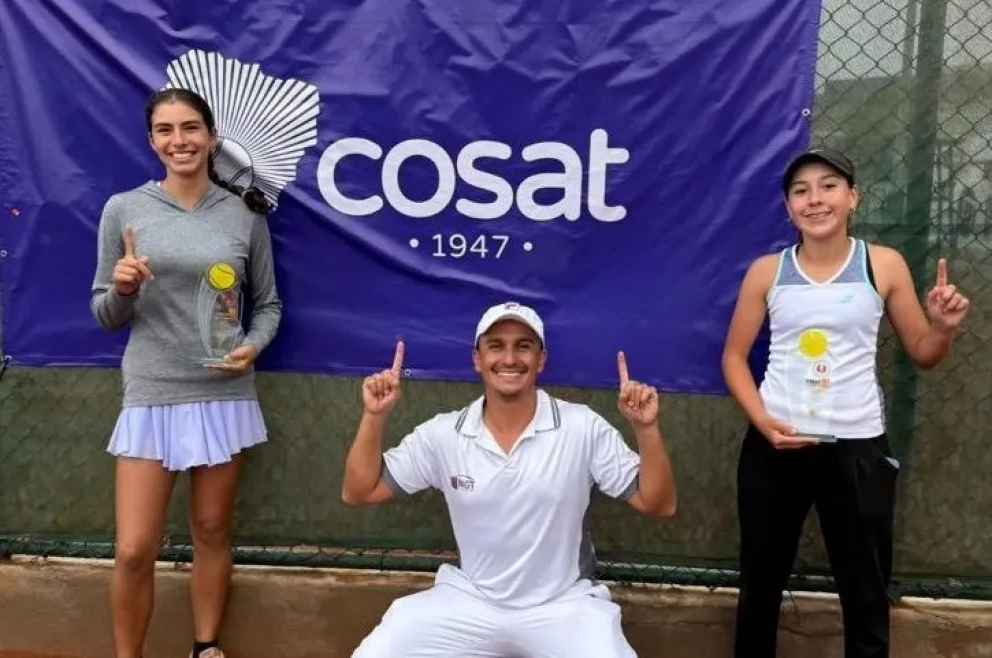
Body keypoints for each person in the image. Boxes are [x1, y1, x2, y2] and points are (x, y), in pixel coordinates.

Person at [721, 147, 970, 658]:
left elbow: (924, 352)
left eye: (828, 186)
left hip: (858, 450)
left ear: (852, 197)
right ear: (789, 208)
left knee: (865, 593)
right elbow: (733, 357)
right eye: (800, 191)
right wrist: (764, 423)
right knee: (760, 587)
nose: (815, 199)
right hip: (775, 448)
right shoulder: (766, 272)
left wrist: (942, 328)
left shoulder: (883, 265)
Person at [342, 301, 677, 657]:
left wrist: (646, 428)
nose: (510, 358)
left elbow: (658, 503)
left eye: (523, 346)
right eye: (496, 345)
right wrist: (374, 416)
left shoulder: (582, 426)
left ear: (541, 359)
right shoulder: (445, 434)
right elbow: (359, 491)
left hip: (562, 606)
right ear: (477, 358)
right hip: (471, 602)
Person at [90, 88, 283, 658]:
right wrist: (123, 288)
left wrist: (251, 346)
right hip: (150, 393)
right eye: (167, 130)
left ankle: (205, 648)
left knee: (212, 533)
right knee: (133, 549)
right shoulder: (123, 210)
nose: (181, 141)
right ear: (152, 141)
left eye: (191, 128)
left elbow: (268, 305)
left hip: (225, 393)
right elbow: (105, 314)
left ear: (212, 137)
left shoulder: (244, 215)